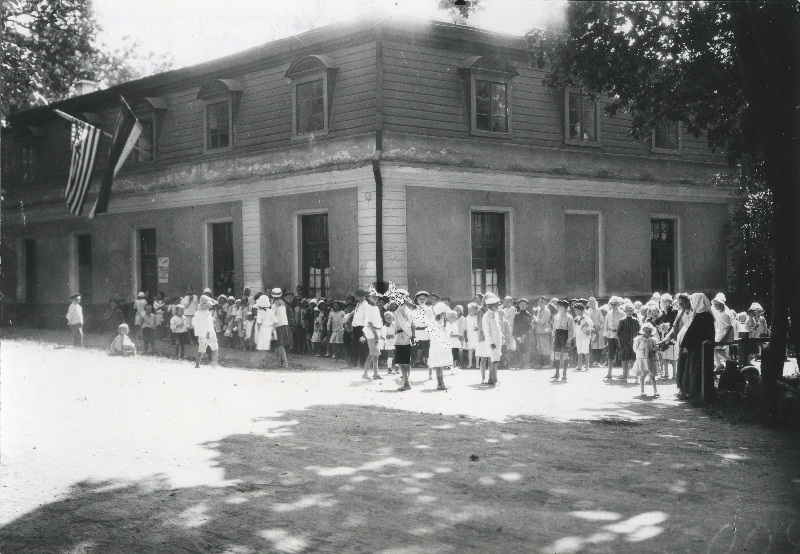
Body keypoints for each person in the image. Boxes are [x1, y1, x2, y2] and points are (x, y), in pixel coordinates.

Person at [682, 293, 716, 403]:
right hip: (695, 346)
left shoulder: (703, 315)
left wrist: (686, 343)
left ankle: (696, 395)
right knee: (692, 370)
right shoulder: (703, 315)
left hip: (698, 347)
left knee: (696, 371)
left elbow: (695, 332)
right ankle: (691, 393)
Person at [386, 284, 414, 391]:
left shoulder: (399, 310)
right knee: (406, 361)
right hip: (406, 337)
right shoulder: (407, 309)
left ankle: (406, 383)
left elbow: (403, 324)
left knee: (401, 361)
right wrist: (411, 336)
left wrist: (410, 335)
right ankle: (407, 381)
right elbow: (410, 324)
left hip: (402, 337)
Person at [427, 302, 453, 390]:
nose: (445, 314)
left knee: (440, 365)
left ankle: (442, 383)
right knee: (438, 364)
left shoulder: (442, 322)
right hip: (437, 346)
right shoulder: (434, 323)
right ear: (440, 313)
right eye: (444, 312)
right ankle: (440, 383)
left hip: (442, 345)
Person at [361, 287, 384, 380]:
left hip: (377, 331)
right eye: (373, 296)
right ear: (368, 298)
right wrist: (375, 335)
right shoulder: (368, 307)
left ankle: (375, 374)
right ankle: (365, 374)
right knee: (372, 353)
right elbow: (369, 323)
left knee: (375, 354)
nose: (375, 297)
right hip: (371, 332)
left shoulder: (375, 307)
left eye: (377, 296)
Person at [193, 293, 220, 368]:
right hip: (209, 332)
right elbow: (208, 324)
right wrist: (208, 332)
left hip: (201, 333)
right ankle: (214, 365)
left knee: (201, 348)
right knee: (215, 347)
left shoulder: (197, 313)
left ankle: (197, 364)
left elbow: (195, 324)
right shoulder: (206, 313)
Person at [634, 322, 659, 398]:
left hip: (651, 359)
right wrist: (641, 355)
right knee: (642, 376)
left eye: (649, 331)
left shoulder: (653, 340)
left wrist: (655, 350)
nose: (648, 333)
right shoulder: (638, 339)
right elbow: (635, 349)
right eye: (646, 331)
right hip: (642, 359)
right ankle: (642, 391)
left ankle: (655, 391)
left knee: (652, 376)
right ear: (643, 331)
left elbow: (657, 348)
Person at [551, 299, 575, 380]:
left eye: (561, 307)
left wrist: (569, 340)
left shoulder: (569, 317)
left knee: (565, 354)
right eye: (558, 307)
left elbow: (571, 330)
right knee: (557, 354)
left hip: (565, 336)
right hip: (557, 336)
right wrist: (554, 335)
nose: (559, 308)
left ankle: (564, 373)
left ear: (565, 308)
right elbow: (554, 326)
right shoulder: (557, 315)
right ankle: (557, 372)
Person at [482, 292, 502, 386]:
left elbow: (497, 328)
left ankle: (490, 379)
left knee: (494, 359)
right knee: (494, 360)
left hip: (498, 340)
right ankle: (495, 380)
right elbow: (486, 331)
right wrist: (491, 342)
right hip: (492, 342)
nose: (498, 306)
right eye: (496, 305)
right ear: (492, 306)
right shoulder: (486, 316)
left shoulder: (496, 314)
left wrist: (501, 337)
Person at [616, 303, 641, 382]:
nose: (630, 312)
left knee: (634, 359)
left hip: (634, 343)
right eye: (628, 311)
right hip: (624, 343)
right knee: (624, 359)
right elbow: (618, 333)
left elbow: (639, 331)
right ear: (625, 311)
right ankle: (624, 375)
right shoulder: (622, 320)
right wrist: (620, 343)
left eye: (631, 310)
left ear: (633, 311)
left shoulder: (636, 320)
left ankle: (635, 376)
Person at [711, 292, 735, 371]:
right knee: (716, 349)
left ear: (722, 304)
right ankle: (726, 362)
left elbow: (729, 327)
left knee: (714, 348)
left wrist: (724, 338)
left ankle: (721, 363)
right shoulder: (720, 314)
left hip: (724, 335)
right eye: (715, 305)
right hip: (720, 333)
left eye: (717, 304)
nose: (716, 306)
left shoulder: (725, 314)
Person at [603, 297, 625, 379]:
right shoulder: (609, 313)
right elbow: (606, 324)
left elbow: (624, 325)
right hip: (610, 335)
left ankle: (624, 373)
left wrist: (622, 335)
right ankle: (609, 373)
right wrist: (605, 335)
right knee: (610, 354)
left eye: (615, 304)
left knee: (621, 353)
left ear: (618, 304)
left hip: (619, 335)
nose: (613, 305)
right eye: (611, 304)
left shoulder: (622, 313)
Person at [255, 294, 277, 367]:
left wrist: (258, 333)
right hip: (271, 329)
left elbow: (258, 323)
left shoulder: (260, 312)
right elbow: (275, 322)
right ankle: (272, 362)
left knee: (263, 347)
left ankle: (264, 362)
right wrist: (273, 330)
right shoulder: (271, 311)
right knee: (270, 347)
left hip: (263, 330)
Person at [413, 291, 432, 368]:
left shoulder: (428, 309)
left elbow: (431, 321)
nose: (422, 300)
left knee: (426, 347)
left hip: (425, 331)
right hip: (416, 331)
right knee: (417, 347)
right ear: (417, 299)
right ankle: (417, 362)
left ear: (426, 299)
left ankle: (428, 363)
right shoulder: (413, 309)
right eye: (420, 298)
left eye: (424, 299)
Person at [573, 303, 594, 371]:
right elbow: (576, 327)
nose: (575, 311)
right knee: (579, 350)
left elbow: (591, 324)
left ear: (581, 310)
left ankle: (587, 366)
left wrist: (587, 330)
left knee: (586, 350)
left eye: (576, 310)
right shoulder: (577, 318)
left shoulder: (585, 317)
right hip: (578, 335)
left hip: (584, 336)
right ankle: (580, 365)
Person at [351, 289, 369, 367]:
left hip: (362, 328)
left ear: (361, 296)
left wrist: (364, 333)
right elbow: (356, 317)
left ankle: (363, 364)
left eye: (356, 296)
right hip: (356, 328)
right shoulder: (358, 304)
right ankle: (354, 364)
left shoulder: (366, 305)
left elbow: (367, 319)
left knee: (363, 346)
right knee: (355, 346)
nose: (355, 297)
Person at [513, 299, 533, 368]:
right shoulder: (517, 314)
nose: (523, 306)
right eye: (521, 304)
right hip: (518, 334)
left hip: (525, 335)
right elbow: (515, 325)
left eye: (524, 305)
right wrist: (515, 335)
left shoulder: (528, 315)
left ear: (527, 305)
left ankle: (525, 364)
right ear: (519, 305)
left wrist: (523, 336)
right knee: (519, 349)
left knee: (525, 349)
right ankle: (520, 363)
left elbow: (527, 326)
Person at [587, 297, 606, 367]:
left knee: (598, 346)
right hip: (591, 330)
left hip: (598, 330)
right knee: (592, 346)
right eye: (590, 302)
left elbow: (603, 322)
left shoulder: (599, 310)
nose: (592, 304)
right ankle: (592, 361)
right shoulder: (588, 310)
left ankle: (598, 361)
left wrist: (598, 327)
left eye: (593, 302)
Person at [533, 296, 552, 368]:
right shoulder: (538, 310)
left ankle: (548, 364)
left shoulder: (546, 311)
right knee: (540, 347)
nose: (540, 303)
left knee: (545, 347)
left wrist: (535, 318)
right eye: (539, 302)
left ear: (545, 302)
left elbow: (541, 321)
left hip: (545, 331)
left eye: (542, 301)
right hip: (539, 331)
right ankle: (542, 364)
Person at [465, 302, 480, 369]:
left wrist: (477, 328)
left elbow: (479, 325)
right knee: (470, 350)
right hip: (470, 336)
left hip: (476, 336)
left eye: (471, 310)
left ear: (475, 310)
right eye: (469, 310)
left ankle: (477, 364)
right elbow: (466, 327)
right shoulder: (467, 318)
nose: (470, 311)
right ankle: (470, 364)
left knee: (477, 350)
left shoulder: (478, 317)